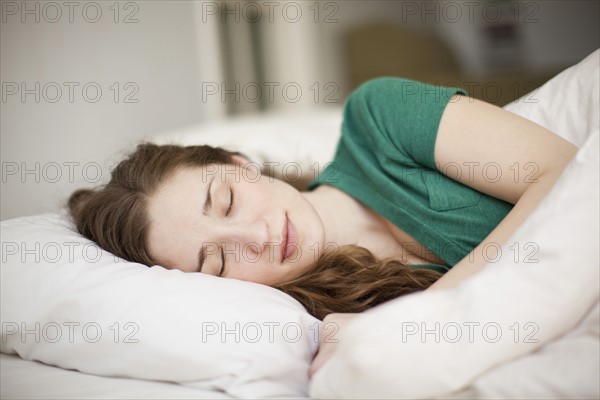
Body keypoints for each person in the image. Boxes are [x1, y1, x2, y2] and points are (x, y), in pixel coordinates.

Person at [68, 77, 577, 375]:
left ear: (240, 162)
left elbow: (569, 173)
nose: (254, 238)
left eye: (225, 201)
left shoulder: (379, 119)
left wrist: (428, 307)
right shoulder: (324, 328)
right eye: (218, 261)